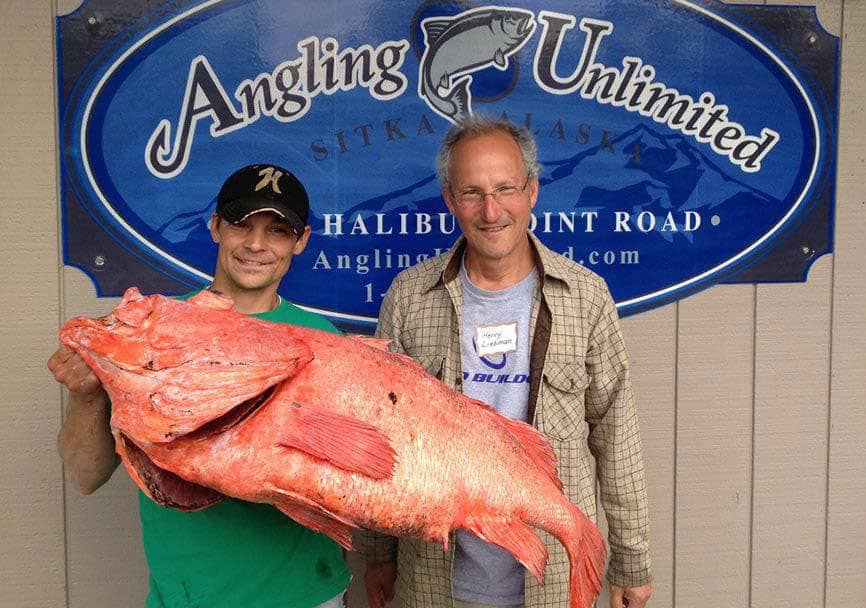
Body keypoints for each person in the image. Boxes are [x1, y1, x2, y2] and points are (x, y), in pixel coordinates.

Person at [359, 116, 653, 608]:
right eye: (472, 192)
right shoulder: (410, 297)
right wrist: (377, 553)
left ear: (533, 191)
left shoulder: (586, 297)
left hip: (552, 581)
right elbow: (382, 435)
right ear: (451, 200)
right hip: (435, 581)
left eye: (505, 189)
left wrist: (631, 561)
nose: (491, 210)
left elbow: (616, 437)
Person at [49, 164, 350, 608]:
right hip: (188, 598)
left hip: (308, 594)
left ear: (300, 241)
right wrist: (86, 393)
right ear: (215, 227)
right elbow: (84, 475)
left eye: (277, 230)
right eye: (240, 225)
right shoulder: (152, 332)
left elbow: (351, 484)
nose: (255, 244)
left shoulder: (327, 344)